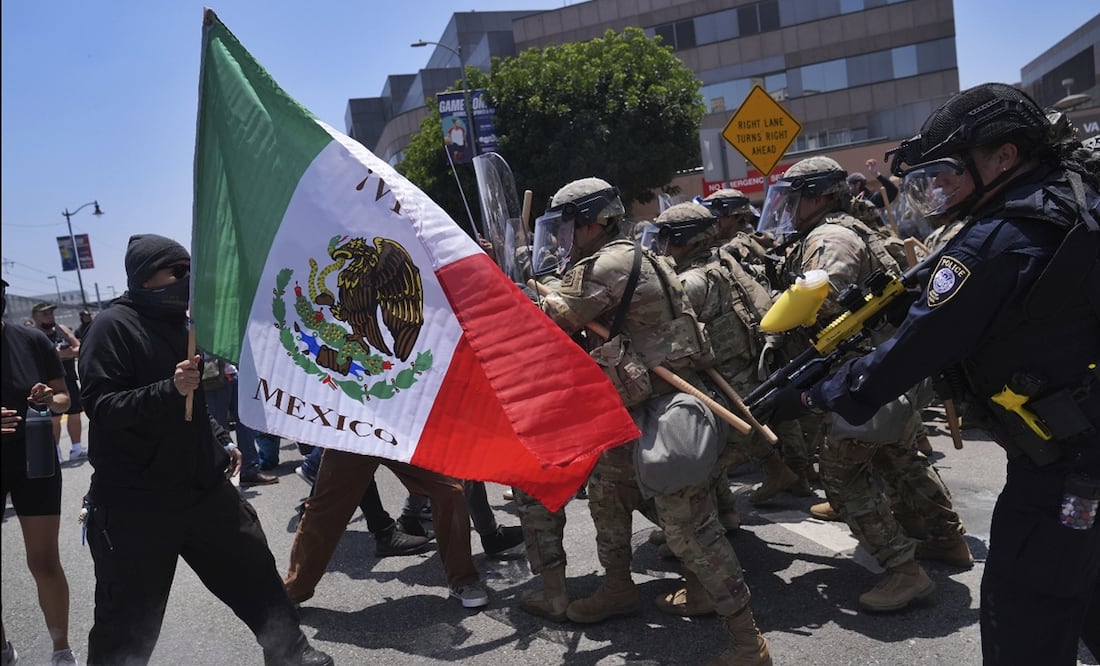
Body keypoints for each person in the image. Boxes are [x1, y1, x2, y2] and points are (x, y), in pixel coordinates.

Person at [762, 83, 1100, 665]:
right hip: (1087, 440)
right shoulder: (1075, 201)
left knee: (1023, 609)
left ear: (1004, 156)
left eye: (951, 170)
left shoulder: (995, 242)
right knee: (1084, 586)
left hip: (1062, 466)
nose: (940, 187)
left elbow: (912, 352)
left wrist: (818, 395)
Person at [532, 178, 770, 665]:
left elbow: (555, 317)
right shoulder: (629, 255)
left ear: (595, 222)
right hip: (636, 406)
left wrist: (528, 284)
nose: (563, 237)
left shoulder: (611, 263)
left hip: (665, 410)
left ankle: (748, 640)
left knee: (691, 529)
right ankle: (618, 588)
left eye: (569, 226)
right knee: (607, 492)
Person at [78, 234, 332, 666]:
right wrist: (167, 389)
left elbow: (192, 405)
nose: (186, 279)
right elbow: (101, 407)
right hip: (136, 504)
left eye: (189, 270)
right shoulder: (112, 327)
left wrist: (217, 437)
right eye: (175, 272)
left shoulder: (184, 325)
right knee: (127, 622)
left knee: (253, 573)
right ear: (145, 277)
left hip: (202, 490)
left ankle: (291, 652)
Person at [754, 155, 971, 613]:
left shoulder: (830, 238)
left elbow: (821, 306)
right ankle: (946, 539)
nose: (788, 209)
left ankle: (903, 571)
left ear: (821, 196)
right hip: (887, 370)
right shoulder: (849, 229)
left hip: (861, 376)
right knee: (901, 458)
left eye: (795, 199)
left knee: (841, 476)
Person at [284, 447, 489, 609]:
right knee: (323, 511)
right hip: (353, 430)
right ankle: (293, 590)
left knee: (449, 491)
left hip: (396, 428)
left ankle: (463, 580)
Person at [1, 279, 80, 666]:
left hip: (35, 458)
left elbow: (63, 396)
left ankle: (61, 649)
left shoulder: (32, 341)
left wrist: (51, 401)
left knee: (44, 560)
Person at [31, 303, 85, 460]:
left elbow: (79, 348)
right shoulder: (35, 334)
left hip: (69, 378)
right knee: (54, 418)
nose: (50, 316)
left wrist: (64, 354)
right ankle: (56, 451)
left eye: (51, 313)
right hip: (48, 383)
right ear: (35, 317)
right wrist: (61, 355)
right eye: (44, 314)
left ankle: (76, 448)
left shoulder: (62, 329)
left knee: (75, 413)